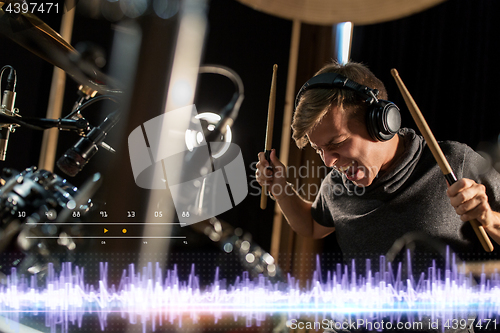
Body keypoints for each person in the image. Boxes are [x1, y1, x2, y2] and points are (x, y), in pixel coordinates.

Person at [255, 61, 500, 330]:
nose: (328, 161)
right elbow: (312, 224)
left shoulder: (454, 162)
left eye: (336, 144)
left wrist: (488, 218)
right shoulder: (336, 184)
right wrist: (280, 187)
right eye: (318, 150)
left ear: (381, 123)